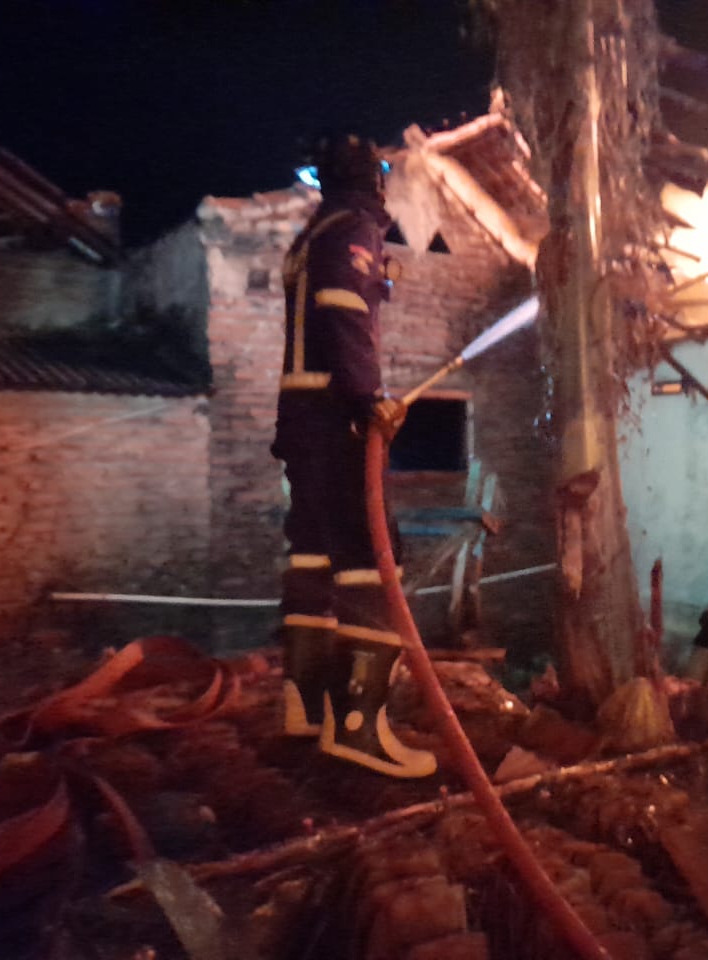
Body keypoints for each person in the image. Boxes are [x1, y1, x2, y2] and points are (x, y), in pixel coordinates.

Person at [271, 132, 436, 779]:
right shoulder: (354, 227)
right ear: (372, 180)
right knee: (371, 561)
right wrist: (369, 400)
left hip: (301, 418)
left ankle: (306, 706)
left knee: (313, 554)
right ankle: (360, 731)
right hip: (336, 417)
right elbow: (342, 309)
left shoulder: (312, 233)